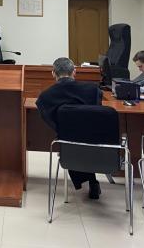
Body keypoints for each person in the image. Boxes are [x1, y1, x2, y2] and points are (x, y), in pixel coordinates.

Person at [36, 57, 104, 199]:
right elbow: (97, 112)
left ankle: (90, 181)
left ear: (53, 73)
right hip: (95, 141)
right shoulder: (93, 90)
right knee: (82, 139)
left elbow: (49, 119)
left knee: (72, 140)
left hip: (67, 142)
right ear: (74, 71)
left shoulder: (44, 97)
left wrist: (63, 130)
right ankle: (92, 182)